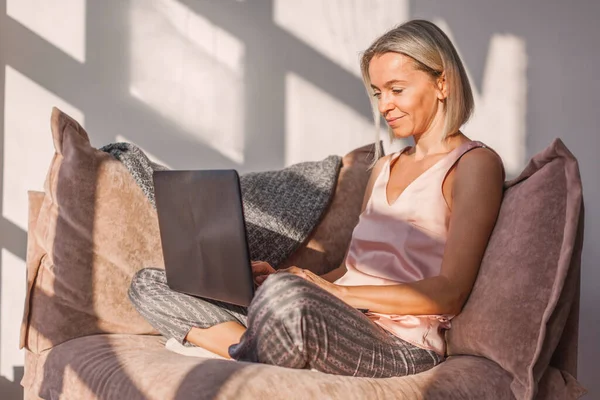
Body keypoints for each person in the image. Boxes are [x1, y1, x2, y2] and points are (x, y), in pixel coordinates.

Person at [128, 19, 504, 378]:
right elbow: (349, 270)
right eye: (377, 93)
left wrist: (323, 293)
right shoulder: (383, 167)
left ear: (443, 83)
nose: (384, 105)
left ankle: (252, 348)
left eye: (397, 89)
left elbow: (450, 293)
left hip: (401, 344)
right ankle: (249, 349)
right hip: (336, 314)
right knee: (150, 283)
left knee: (285, 296)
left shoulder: (473, 165)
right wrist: (303, 281)